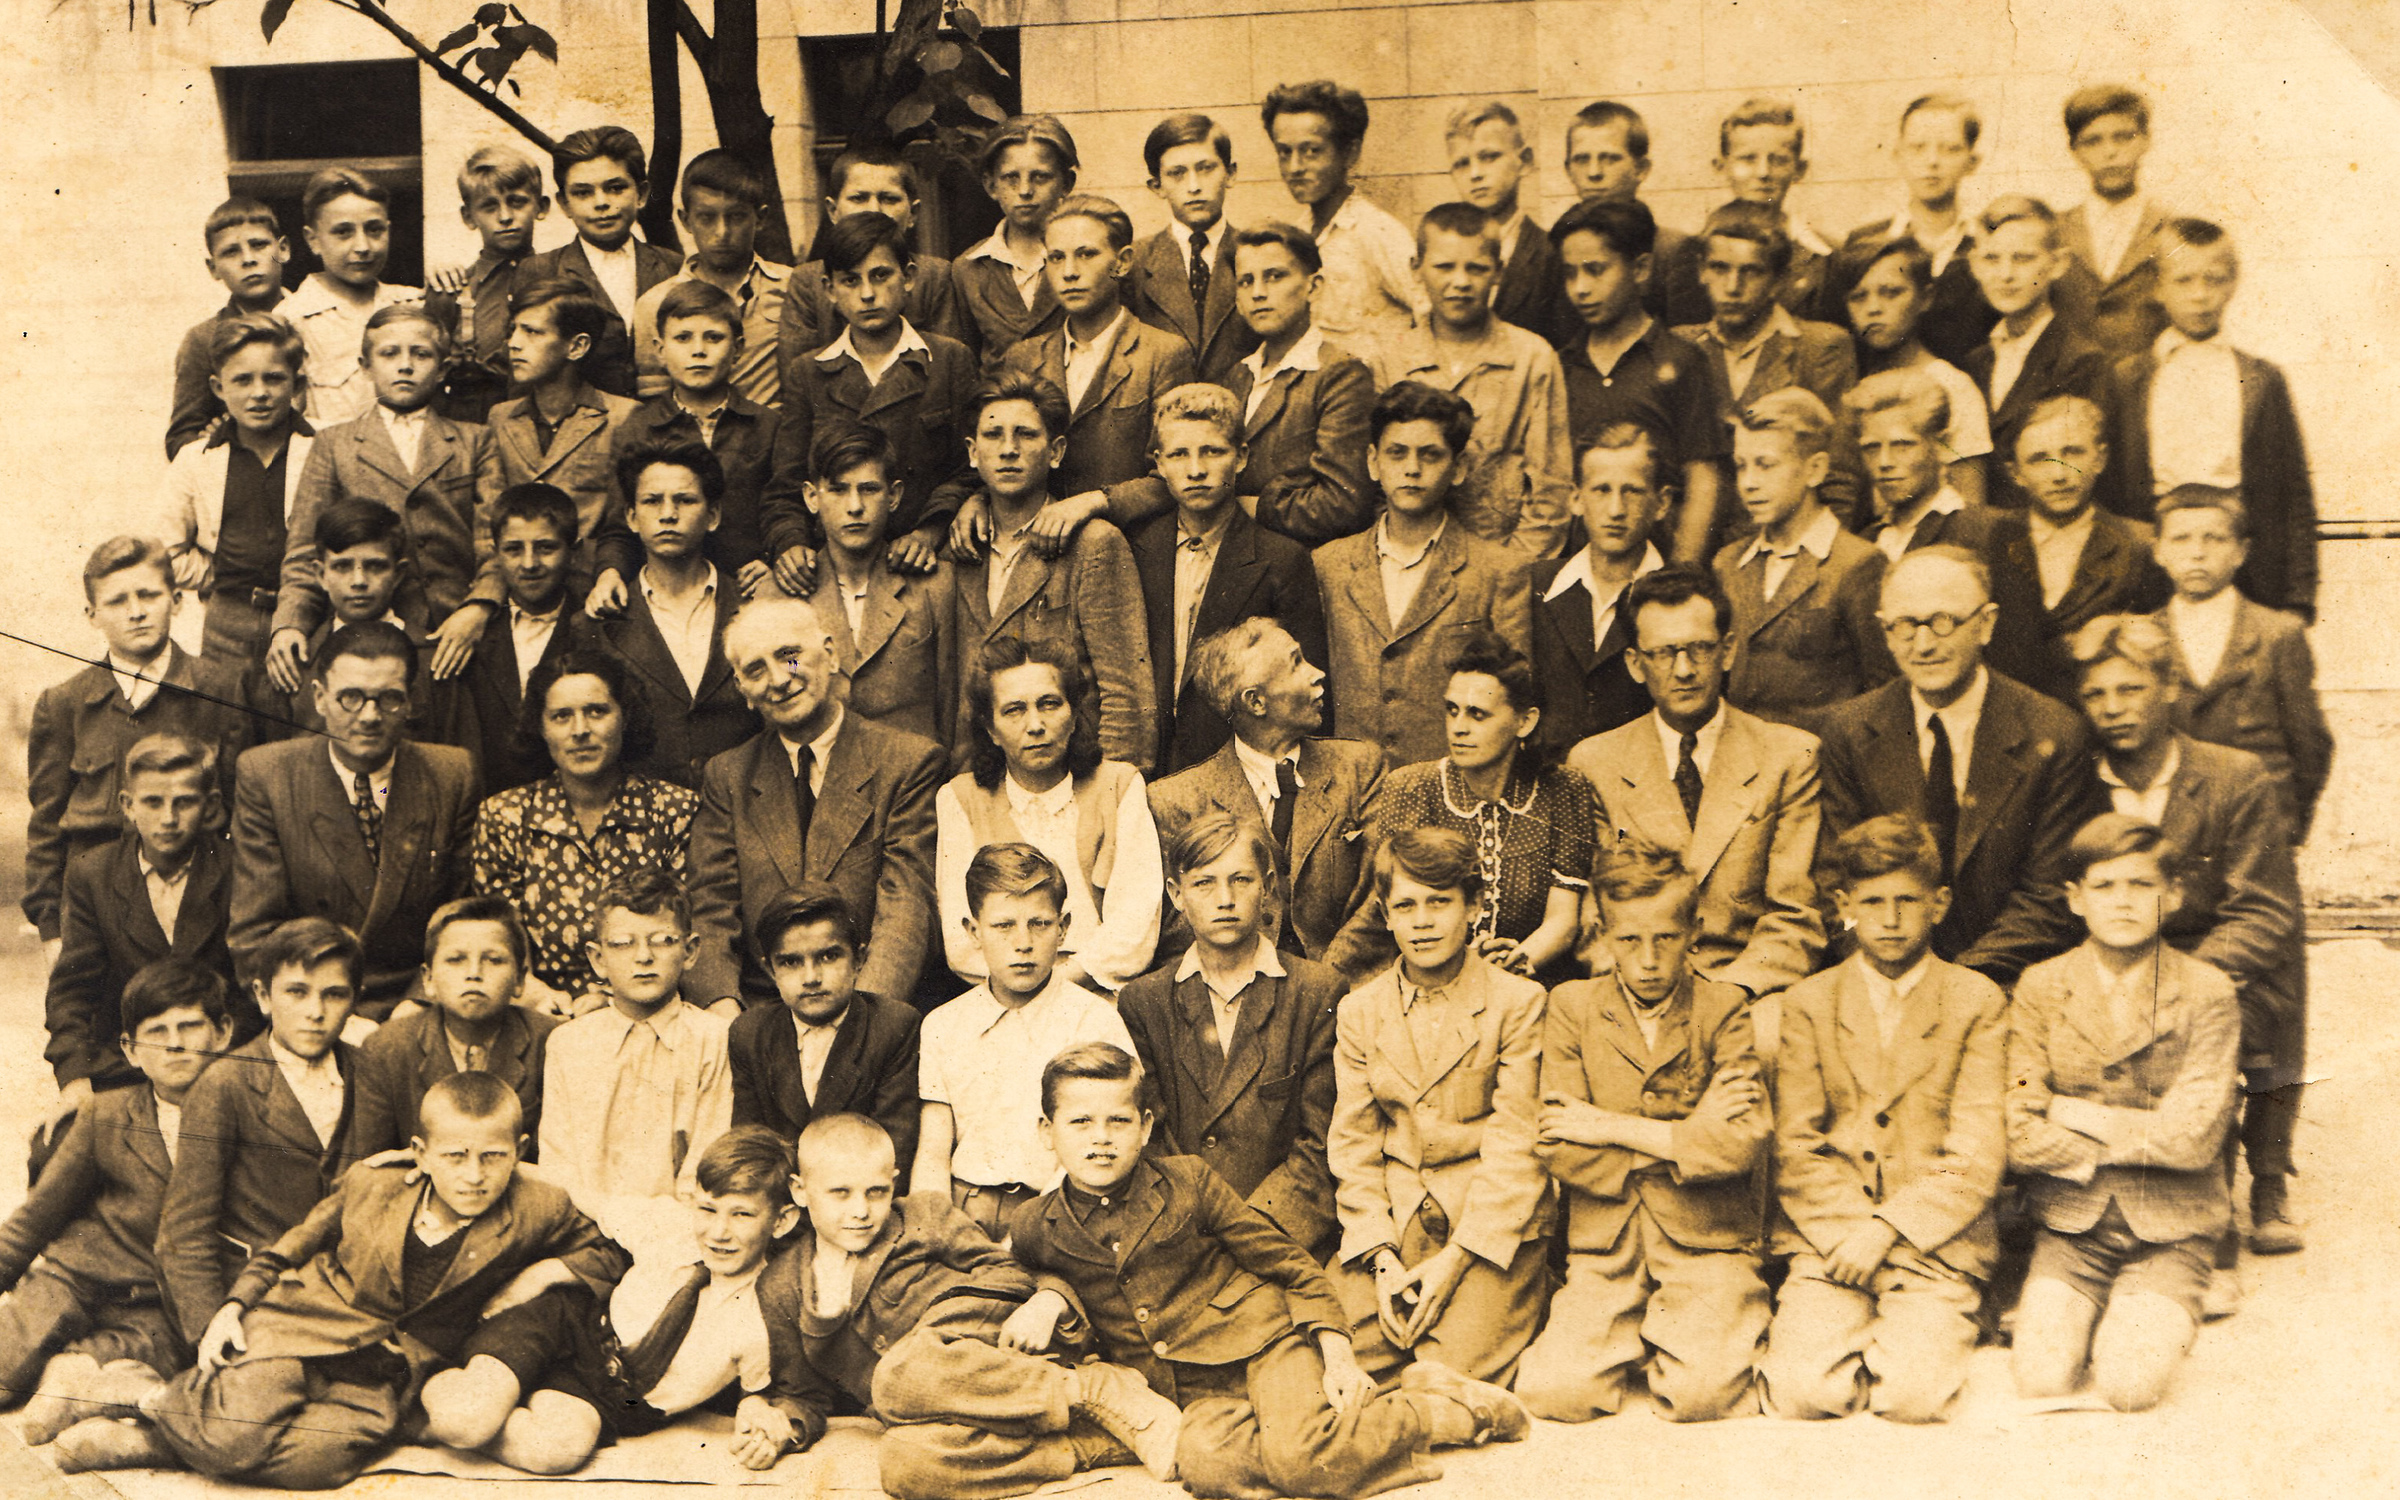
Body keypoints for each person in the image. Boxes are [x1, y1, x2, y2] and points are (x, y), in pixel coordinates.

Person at [1005, 1043, 1533, 1498]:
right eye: (1080, 1122)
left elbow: (1291, 1265)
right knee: (1206, 1465)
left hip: (1266, 1344)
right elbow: (1027, 1274)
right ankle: (1354, 1424)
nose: (1100, 1138)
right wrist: (1050, 1296)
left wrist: (1338, 1357)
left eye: (1118, 1121)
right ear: (1047, 1132)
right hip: (1188, 1387)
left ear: (1144, 1127)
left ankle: (1443, 1415)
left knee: (1302, 1459)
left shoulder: (1188, 1181)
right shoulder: (1034, 1225)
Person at [129, 1074, 630, 1486]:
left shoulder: (539, 1207)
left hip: (390, 1373)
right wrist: (233, 1306)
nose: (474, 1175)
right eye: (455, 1156)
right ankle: (155, 1399)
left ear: (519, 1151)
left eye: (493, 1156)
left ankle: (166, 1425)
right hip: (305, 1328)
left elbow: (611, 1250)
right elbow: (290, 1248)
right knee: (231, 1437)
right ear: (421, 1152)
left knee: (318, 1466)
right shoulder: (374, 1183)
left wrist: (543, 1274)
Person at [749, 1111, 1182, 1491]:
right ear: (800, 1190)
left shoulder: (922, 1216)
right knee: (903, 1462)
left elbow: (1008, 1272)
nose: (861, 1210)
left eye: (876, 1191)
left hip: (994, 1350)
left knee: (896, 1374)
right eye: (840, 1193)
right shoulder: (781, 1286)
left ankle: (1090, 1388)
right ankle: (1088, 1445)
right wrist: (783, 1426)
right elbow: (803, 1392)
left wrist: (957, 1323)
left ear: (894, 1184)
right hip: (950, 1408)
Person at [2068, 615, 2307, 1277]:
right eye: (2095, 695)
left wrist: (2179, 984)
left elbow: (2262, 909)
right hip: (2113, 955)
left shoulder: (2234, 775)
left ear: (2169, 687)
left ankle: (2246, 1188)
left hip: (2219, 958)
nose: (2113, 708)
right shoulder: (2077, 782)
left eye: (2131, 689)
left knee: (2212, 1022)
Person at [1760, 815, 2007, 1424]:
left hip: (1934, 1245)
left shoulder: (1977, 1000)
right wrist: (1854, 1234)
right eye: (1872, 902)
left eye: (1907, 901)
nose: (1890, 920)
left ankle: (1928, 1327)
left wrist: (1887, 1231)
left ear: (1939, 904)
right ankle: (1856, 1329)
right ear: (1844, 906)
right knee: (1802, 1395)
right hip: (1833, 1244)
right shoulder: (1809, 1002)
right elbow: (1796, 1145)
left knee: (1912, 1399)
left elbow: (1976, 1152)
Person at [1515, 841, 1770, 1423]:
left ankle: (1688, 1335)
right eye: (1630, 940)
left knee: (1702, 1396)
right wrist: (1691, 1133)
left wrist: (1607, 1126)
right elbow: (1558, 1144)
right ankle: (1641, 1336)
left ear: (1694, 933)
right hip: (1606, 1245)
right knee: (1554, 1392)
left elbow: (1740, 1143)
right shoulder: (1572, 1006)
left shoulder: (1724, 1008)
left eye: (1666, 938)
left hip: (1705, 1241)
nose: (1649, 960)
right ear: (1603, 934)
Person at [2007, 814, 2240, 1413]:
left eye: (2141, 885)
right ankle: (2080, 1309)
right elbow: (2019, 1125)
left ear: (2174, 894)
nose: (2123, 902)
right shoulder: (2040, 987)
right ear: (2075, 899)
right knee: (2041, 1377)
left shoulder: (2207, 990)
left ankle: (2169, 1301)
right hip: (2072, 1224)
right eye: (2104, 886)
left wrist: (2066, 1110)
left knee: (2128, 1386)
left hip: (2173, 1227)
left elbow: (2190, 1139)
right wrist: (2122, 1136)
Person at [1815, 547, 2107, 987]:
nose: (1923, 645)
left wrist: (1955, 988)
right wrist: (1887, 975)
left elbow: (2048, 897)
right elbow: (1837, 882)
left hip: (2006, 979)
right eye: (1904, 625)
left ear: (1986, 624)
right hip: (1881, 977)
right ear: (1884, 631)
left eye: (1943, 621)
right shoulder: (1850, 731)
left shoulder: (2055, 732)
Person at [1326, 828, 1553, 1385]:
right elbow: (1354, 1148)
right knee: (1334, 1356)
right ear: (1385, 915)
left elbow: (1517, 1147)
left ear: (1473, 906)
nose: (1422, 922)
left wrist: (1455, 1261)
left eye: (1440, 902)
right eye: (1406, 906)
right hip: (1396, 1223)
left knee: (1444, 1375)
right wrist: (1381, 1260)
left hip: (1487, 1228)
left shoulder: (1518, 1003)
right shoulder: (1360, 1011)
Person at [1566, 565, 1827, 1003]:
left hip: (1748, 992)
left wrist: (1728, 993)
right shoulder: (1595, 763)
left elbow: (1794, 916)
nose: (1684, 669)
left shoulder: (1788, 756)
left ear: (1727, 651)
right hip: (1635, 991)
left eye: (1699, 649)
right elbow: (1595, 920)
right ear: (1635, 664)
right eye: (1663, 653)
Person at [0, 960, 233, 1447]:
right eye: (157, 1032)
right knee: (7, 1361)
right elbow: (33, 1222)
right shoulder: (106, 1114)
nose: (174, 1044)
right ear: (130, 1049)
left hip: (155, 1301)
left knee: (113, 1362)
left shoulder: (244, 1121)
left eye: (190, 1027)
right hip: (76, 1280)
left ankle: (69, 1375)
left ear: (223, 1032)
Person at [691, 596, 945, 1008]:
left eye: (789, 657)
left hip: (869, 1004)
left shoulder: (906, 763)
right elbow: (712, 909)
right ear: (743, 691)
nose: (778, 679)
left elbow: (907, 911)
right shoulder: (728, 776)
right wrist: (722, 1007)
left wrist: (862, 1021)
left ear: (830, 655)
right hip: (761, 1009)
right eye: (755, 670)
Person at [1119, 812, 1345, 1258]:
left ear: (1268, 887)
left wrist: (1250, 1234)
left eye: (1241, 880)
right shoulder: (1145, 1002)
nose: (1225, 899)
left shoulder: (1316, 993)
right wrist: (1193, 1232)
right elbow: (1150, 1139)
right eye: (1204, 883)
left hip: (1282, 1237)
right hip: (1182, 1237)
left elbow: (1321, 1143)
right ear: (1176, 895)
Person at [229, 620, 480, 1019]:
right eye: (351, 698)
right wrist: (330, 1017)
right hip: (314, 1007)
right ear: (319, 698)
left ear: (411, 702)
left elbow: (464, 920)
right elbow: (255, 934)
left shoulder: (451, 774)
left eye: (389, 699)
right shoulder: (269, 776)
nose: (369, 716)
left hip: (420, 1003)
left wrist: (418, 1003)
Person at [1328, 631, 1595, 985]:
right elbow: (1403, 912)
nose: (1458, 728)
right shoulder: (1411, 788)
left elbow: (1563, 920)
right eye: (1452, 711)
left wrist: (1512, 964)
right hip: (1431, 976)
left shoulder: (1563, 788)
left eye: (1477, 715)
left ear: (1525, 722)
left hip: (1530, 978)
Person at [154, 918, 369, 1354]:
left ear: (355, 1000)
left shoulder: (371, 1075)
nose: (315, 1012)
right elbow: (184, 1233)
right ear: (263, 996)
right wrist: (211, 1328)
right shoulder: (226, 1083)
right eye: (297, 992)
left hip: (350, 1297)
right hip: (254, 1298)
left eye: (334, 994)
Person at [27, 537, 246, 959]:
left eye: (149, 595)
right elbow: (46, 828)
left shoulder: (221, 691)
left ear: (176, 601)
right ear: (92, 615)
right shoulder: (64, 704)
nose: (136, 612)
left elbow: (243, 814)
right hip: (96, 917)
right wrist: (52, 931)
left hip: (199, 909)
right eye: (117, 601)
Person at [2099, 218, 2318, 622]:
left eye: (2213, 280)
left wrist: (2297, 601)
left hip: (2249, 575)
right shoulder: (2127, 379)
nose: (2199, 295)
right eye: (2183, 280)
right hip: (2154, 577)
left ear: (2233, 283)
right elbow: (2108, 495)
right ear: (2157, 287)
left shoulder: (2262, 379)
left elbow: (2294, 495)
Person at [913, 844, 1138, 1238]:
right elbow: (933, 1151)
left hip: (1062, 1215)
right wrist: (934, 1233)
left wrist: (1029, 1237)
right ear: (973, 932)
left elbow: (1096, 1152)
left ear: (1063, 927)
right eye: (1003, 926)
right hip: (964, 1216)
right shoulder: (943, 1026)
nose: (1023, 942)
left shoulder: (1094, 1021)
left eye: (1040, 923)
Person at [1314, 380, 1535, 769]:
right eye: (1397, 453)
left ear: (1458, 468)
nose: (1412, 469)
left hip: (1449, 784)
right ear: (1373, 461)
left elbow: (1512, 697)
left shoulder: (1498, 571)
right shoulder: (1328, 565)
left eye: (1430, 455)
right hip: (1350, 782)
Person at [469, 648, 701, 1011]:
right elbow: (499, 937)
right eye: (561, 716)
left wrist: (614, 1002)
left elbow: (688, 934)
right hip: (542, 1012)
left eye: (597, 712)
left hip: (651, 1006)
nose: (580, 731)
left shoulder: (674, 810)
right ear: (541, 728)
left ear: (625, 717)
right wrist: (541, 998)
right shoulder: (505, 817)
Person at [945, 373, 1157, 771]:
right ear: (973, 452)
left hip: (1074, 778)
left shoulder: (1093, 545)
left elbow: (1126, 693)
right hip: (980, 781)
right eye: (993, 435)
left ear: (1056, 452)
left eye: (1026, 434)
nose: (1009, 450)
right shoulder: (961, 548)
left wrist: (1112, 790)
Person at [272, 302, 488, 688]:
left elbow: (494, 541)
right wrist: (290, 623)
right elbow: (304, 550)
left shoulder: (475, 440)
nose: (405, 366)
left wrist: (479, 607)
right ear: (366, 366)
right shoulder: (334, 444)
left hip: (459, 633)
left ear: (442, 369)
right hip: (370, 635)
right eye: (389, 354)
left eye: (420, 354)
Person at [1149, 619, 1386, 965]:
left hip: (1345, 982)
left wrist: (1325, 981)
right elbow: (1179, 929)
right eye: (1296, 663)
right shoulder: (1175, 801)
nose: (1318, 673)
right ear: (1256, 702)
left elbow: (1380, 891)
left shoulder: (1359, 769)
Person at [936, 638, 1163, 995]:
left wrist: (1061, 985)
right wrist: (1027, 987)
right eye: (1014, 710)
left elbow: (1135, 927)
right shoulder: (961, 799)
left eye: (1050, 704)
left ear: (1073, 716)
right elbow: (961, 942)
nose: (1035, 725)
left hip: (1099, 992)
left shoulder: (1119, 786)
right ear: (991, 730)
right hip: (1002, 994)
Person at [44, 735, 245, 1140]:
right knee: (56, 1148)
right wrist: (75, 1079)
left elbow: (253, 990)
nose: (168, 818)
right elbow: (72, 992)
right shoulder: (92, 873)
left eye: (184, 802)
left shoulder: (237, 868)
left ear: (210, 805)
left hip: (221, 1066)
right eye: (153, 802)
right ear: (127, 805)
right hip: (125, 1067)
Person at [1129, 382, 1327, 772]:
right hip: (1147, 764)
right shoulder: (1137, 548)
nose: (1196, 470)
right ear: (1159, 463)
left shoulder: (1280, 559)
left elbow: (1307, 691)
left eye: (1213, 451)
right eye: (1179, 454)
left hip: (1239, 766)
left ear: (1240, 457)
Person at [1371, 203, 1573, 560]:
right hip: (1410, 559)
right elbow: (1377, 485)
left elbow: (1550, 490)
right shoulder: (1390, 359)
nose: (1461, 282)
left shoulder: (1532, 358)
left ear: (1498, 272)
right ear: (1416, 269)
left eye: (1476, 268)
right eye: (1444, 267)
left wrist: (1508, 570)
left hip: (1505, 561)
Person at [780, 213, 979, 572]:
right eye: (850, 281)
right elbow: (788, 482)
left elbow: (969, 469)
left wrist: (929, 533)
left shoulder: (949, 360)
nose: (867, 294)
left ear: (909, 277)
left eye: (881, 275)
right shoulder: (808, 372)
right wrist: (792, 545)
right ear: (829, 289)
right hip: (836, 563)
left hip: (925, 560)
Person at [596, 279, 809, 603]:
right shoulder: (638, 429)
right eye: (683, 338)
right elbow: (619, 525)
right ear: (660, 350)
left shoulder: (768, 426)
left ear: (737, 349)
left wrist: (774, 560)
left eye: (713, 337)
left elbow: (783, 507)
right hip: (667, 590)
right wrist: (610, 572)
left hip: (749, 588)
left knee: (785, 636)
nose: (698, 350)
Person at [592, 1127, 803, 1452]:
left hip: (630, 1408)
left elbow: (757, 1394)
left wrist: (757, 1414)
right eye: (708, 1209)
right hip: (580, 1337)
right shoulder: (670, 1226)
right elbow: (593, 1203)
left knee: (558, 1440)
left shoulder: (763, 1314)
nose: (718, 1232)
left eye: (742, 1214)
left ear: (781, 1221)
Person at [1547, 198, 1727, 564]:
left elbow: (1703, 479)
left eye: (1595, 270)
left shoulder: (1680, 360)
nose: (1580, 288)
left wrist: (1681, 572)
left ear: (1641, 268)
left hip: (1660, 564)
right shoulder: (1561, 366)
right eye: (1570, 274)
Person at [2148, 486, 2333, 842]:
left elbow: (2310, 743)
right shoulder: (2143, 634)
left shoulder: (2277, 633)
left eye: (2215, 539)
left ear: (2241, 551)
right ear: (2157, 550)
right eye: (2181, 539)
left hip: (2261, 823)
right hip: (2171, 828)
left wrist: (2286, 823)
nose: (2197, 553)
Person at [538, 870, 735, 1204]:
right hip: (587, 1222)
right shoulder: (569, 1044)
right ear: (598, 959)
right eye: (622, 943)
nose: (643, 956)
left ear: (690, 951)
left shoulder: (713, 1040)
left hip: (682, 1223)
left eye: (662, 940)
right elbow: (560, 1165)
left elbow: (707, 1163)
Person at [993, 194, 1197, 512]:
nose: (1069, 272)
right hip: (1038, 533)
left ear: (1122, 263)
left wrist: (1097, 502)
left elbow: (1175, 474)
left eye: (1086, 254)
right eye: (1056, 258)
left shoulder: (1164, 354)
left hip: (1129, 535)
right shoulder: (1025, 357)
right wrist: (978, 501)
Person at [1715, 389, 1894, 734]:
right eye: (1741, 466)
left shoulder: (1858, 564)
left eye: (1766, 465)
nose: (1749, 483)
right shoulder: (1728, 563)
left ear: (1815, 470)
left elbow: (1884, 693)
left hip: (1822, 757)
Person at [595, 437, 763, 785]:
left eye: (685, 500)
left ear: (712, 516)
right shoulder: (601, 622)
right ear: (631, 517)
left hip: (747, 801)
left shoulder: (756, 605)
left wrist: (790, 666)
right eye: (652, 501)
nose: (668, 514)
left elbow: (794, 666)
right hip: (642, 809)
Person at [1984, 395, 2172, 703]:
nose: (2059, 474)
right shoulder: (1991, 541)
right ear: (2015, 472)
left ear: (2100, 458)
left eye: (2072, 452)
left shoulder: (2141, 545)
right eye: (2039, 459)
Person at [157, 312, 316, 664]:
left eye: (274, 378)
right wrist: (220, 575)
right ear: (218, 388)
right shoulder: (196, 459)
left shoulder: (326, 447)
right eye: (242, 380)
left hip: (310, 619)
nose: (259, 393)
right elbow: (167, 552)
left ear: (297, 384)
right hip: (228, 621)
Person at [792, 422, 962, 751]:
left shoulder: (934, 585)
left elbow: (956, 704)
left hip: (915, 774)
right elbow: (786, 684)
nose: (855, 506)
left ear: (893, 496)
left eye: (869, 489)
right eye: (838, 490)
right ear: (812, 497)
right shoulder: (785, 594)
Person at [432, 481, 608, 794]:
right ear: (495, 553)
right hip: (487, 803)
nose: (529, 564)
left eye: (546, 548)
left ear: (574, 551)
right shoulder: (473, 631)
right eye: (514, 549)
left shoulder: (595, 626)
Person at [349, 896, 559, 1155]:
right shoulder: (387, 1048)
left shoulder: (552, 1043)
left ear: (519, 980)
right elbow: (367, 1164)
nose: (474, 973)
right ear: (428, 979)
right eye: (456, 959)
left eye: (494, 960)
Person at [1210, 221, 1378, 544]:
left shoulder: (1340, 374)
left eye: (1275, 276)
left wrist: (1253, 507)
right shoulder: (1238, 376)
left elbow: (1343, 504)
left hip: (1303, 557)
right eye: (1246, 281)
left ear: (1313, 287)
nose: (1258, 293)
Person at [728, 885, 921, 1165]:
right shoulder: (750, 1034)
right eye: (791, 962)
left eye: (828, 957)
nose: (811, 978)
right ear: (770, 970)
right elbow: (750, 1149)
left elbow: (893, 1150)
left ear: (858, 960)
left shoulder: (893, 1027)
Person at [479, 279, 642, 601]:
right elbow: (490, 518)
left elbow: (622, 522)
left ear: (576, 347)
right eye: (513, 331)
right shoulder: (500, 418)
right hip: (520, 591)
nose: (514, 343)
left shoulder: (623, 417)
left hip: (592, 591)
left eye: (532, 332)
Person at [1674, 202, 1859, 469]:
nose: (1733, 287)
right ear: (1702, 271)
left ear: (1779, 280)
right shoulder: (1681, 346)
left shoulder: (1820, 347)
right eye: (1720, 268)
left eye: (1751, 272)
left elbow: (1840, 468)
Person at [777, 142, 977, 386]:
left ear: (913, 213)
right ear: (832, 211)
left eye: (889, 199)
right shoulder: (807, 281)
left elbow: (947, 373)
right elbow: (798, 379)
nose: (874, 210)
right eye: (858, 198)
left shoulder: (935, 276)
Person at [1261, 79, 1428, 362]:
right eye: (1284, 152)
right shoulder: (1297, 236)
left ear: (1350, 153)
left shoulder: (1377, 232)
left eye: (1311, 151)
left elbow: (1431, 315)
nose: (1295, 167)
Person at [1826, 94, 1996, 369]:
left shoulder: (1988, 246)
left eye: (1950, 149)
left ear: (1972, 161)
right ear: (1899, 156)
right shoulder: (1866, 240)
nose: (1932, 161)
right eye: (1917, 148)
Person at [1962, 195, 2110, 512]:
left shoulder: (2080, 360)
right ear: (1974, 265)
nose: (2006, 274)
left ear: (2057, 264)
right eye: (1991, 259)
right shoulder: (1977, 360)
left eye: (2023, 258)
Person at [1531, 425, 1672, 750]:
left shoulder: (1680, 596)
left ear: (1662, 503)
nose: (1616, 510)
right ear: (1576, 499)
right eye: (1601, 490)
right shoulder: (1535, 585)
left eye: (1632, 491)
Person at [244, 499, 429, 744]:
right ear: (321, 575)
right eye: (342, 566)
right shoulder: (294, 663)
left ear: (398, 574)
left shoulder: (431, 658)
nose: (359, 581)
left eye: (375, 566)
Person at [518, 125, 682, 397]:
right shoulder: (541, 270)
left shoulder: (673, 267)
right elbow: (523, 377)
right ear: (564, 204)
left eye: (615, 188)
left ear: (641, 194)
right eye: (583, 193)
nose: (601, 203)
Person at [1836, 238, 1994, 507]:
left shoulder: (1951, 385)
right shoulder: (1855, 385)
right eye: (1858, 297)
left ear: (1925, 298)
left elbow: (1972, 504)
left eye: (1891, 293)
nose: (1873, 308)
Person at [629, 147, 793, 406]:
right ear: (685, 220)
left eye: (736, 217)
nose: (722, 232)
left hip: (773, 429)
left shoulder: (791, 287)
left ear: (760, 218)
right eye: (706, 218)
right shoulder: (655, 303)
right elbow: (655, 398)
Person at [1656, 98, 1836, 327]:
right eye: (1748, 159)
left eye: (1778, 160)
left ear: (1799, 169)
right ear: (1721, 167)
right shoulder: (1690, 253)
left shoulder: (1825, 256)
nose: (1763, 173)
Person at [275, 168, 419, 429]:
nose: (362, 246)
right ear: (313, 240)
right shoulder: (292, 318)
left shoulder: (413, 306)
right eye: (343, 232)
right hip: (332, 451)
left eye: (374, 230)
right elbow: (287, 417)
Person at [1128, 112, 1259, 383]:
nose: (1194, 187)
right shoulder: (1134, 262)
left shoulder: (1258, 255)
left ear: (1230, 174)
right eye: (1177, 174)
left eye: (1206, 168)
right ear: (1157, 186)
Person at [423, 145, 550, 422]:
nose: (505, 216)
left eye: (517, 202)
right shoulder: (453, 289)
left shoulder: (558, 278)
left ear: (541, 207)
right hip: (472, 424)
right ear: (469, 217)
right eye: (489, 206)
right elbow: (429, 374)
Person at [165, 197, 291, 458]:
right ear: (213, 268)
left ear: (283, 249)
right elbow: (181, 440)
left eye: (258, 245)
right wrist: (221, 439)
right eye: (231, 252)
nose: (248, 259)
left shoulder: (314, 319)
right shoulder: (203, 339)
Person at [1446, 100, 1577, 348]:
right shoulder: (1441, 256)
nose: (1475, 173)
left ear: (1525, 161)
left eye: (1489, 157)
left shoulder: (1552, 255)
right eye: (1462, 164)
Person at [2055, 85, 2172, 360]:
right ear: (2074, 150)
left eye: (2123, 137)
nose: (2110, 152)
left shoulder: (2171, 230)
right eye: (2092, 141)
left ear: (2146, 141)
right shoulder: (2054, 231)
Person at [956, 115, 1078, 368]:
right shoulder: (968, 269)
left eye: (1040, 177)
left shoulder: (1088, 257)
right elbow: (964, 362)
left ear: (1066, 183)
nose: (1024, 191)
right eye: (1011, 178)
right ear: (991, 186)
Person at [1847, 367, 1998, 560]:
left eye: (1903, 445)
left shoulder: (1987, 530)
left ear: (1940, 446)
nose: (1884, 462)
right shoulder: (1866, 542)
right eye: (1872, 448)